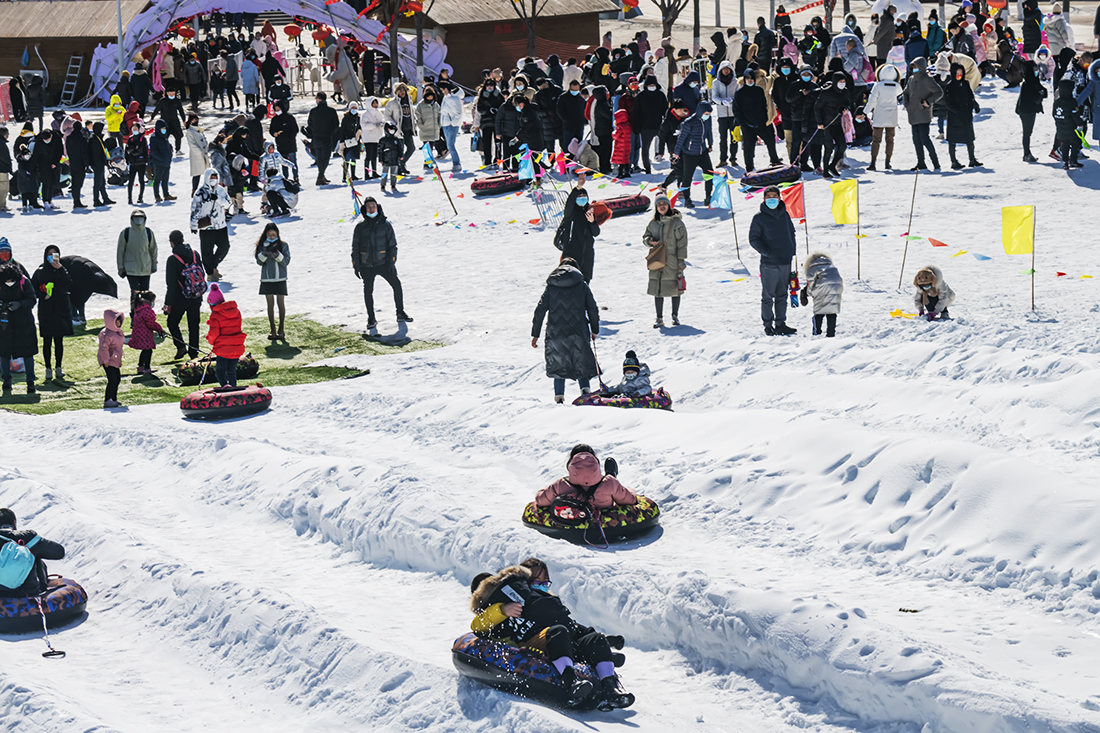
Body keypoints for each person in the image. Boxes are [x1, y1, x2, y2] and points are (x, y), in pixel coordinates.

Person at [469, 558, 633, 709]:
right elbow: (478, 625)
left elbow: (571, 625)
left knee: (595, 639)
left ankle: (610, 690)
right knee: (558, 633)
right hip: (533, 640)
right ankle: (571, 681)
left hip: (556, 637)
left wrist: (601, 639)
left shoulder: (536, 599)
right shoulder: (501, 601)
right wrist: (502, 610)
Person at [531, 257, 600, 404]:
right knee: (580, 360)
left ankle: (559, 398)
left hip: (556, 332)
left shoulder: (552, 286)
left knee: (558, 362)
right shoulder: (582, 285)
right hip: (578, 330)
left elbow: (540, 310)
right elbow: (592, 308)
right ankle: (585, 393)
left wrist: (535, 334)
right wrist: (595, 329)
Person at [351, 197, 412, 330]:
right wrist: (356, 264)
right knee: (368, 292)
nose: (371, 209)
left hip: (384, 263)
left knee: (397, 285)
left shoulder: (386, 225)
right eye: (368, 207)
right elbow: (355, 247)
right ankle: (371, 318)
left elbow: (393, 246)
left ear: (377, 208)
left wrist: (392, 262)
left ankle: (400, 312)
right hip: (367, 265)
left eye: (373, 206)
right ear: (364, 209)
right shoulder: (360, 227)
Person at [748, 186, 798, 336]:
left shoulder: (785, 215)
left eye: (774, 196)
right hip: (769, 264)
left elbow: (791, 232)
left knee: (782, 295)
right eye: (768, 196)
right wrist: (767, 253)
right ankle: (768, 325)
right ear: (764, 199)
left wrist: (791, 250)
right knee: (768, 296)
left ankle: (780, 324)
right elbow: (753, 239)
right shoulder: (759, 218)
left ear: (779, 198)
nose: (771, 199)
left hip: (785, 261)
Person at [536, 444, 638, 509]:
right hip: (605, 523)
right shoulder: (610, 483)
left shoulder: (560, 484)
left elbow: (540, 501)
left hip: (574, 521)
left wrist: (545, 489)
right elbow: (630, 501)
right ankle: (611, 474)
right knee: (612, 484)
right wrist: (631, 490)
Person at [643, 191, 687, 328]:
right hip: (656, 260)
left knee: (675, 288)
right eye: (659, 204)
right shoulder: (653, 223)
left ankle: (675, 316)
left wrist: (681, 260)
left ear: (668, 205)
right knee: (658, 289)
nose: (662, 206)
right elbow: (645, 238)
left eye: (664, 204)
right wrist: (650, 242)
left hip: (672, 260)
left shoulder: (677, 222)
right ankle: (659, 318)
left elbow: (682, 242)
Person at [0, 508, 65, 598]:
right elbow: (59, 552)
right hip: (28, 594)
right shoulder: (29, 537)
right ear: (14, 523)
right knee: (33, 555)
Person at [31, 245, 73, 380]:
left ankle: (58, 367)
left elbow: (69, 283)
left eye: (55, 254)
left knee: (59, 340)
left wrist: (60, 269)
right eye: (50, 254)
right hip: (47, 310)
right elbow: (33, 289)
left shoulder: (62, 270)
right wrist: (43, 295)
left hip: (60, 309)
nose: (53, 257)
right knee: (47, 341)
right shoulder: (40, 271)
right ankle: (48, 368)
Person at [164, 230, 205, 359]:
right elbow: (201, 273)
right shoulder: (195, 254)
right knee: (194, 325)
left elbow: (171, 284)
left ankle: (181, 347)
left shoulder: (172, 260)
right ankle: (194, 353)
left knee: (172, 322)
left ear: (171, 243)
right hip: (196, 296)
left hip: (179, 298)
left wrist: (168, 304)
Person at [0, 262, 38, 394]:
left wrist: (20, 304)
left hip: (24, 325)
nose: (8, 282)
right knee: (3, 354)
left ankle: (30, 382)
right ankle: (6, 381)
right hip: (4, 325)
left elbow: (32, 299)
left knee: (27, 354)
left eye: (11, 281)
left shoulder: (24, 282)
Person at [554, 177, 600, 282]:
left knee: (585, 285)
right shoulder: (571, 214)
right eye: (579, 196)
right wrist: (578, 188)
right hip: (571, 255)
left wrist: (592, 222)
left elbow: (596, 233)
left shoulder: (589, 213)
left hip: (587, 256)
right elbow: (569, 205)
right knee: (571, 283)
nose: (582, 198)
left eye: (584, 196)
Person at [190, 168, 232, 281]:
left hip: (220, 226)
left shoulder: (221, 190)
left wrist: (218, 199)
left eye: (215, 177)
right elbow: (194, 209)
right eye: (211, 177)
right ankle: (209, 273)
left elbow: (228, 204)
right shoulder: (200, 193)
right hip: (206, 227)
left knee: (224, 247)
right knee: (207, 251)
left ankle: (213, 266)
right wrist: (193, 224)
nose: (213, 179)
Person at [671, 100, 714, 208]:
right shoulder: (689, 122)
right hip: (690, 153)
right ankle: (687, 199)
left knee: (709, 173)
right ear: (700, 112)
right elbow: (681, 139)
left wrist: (710, 144)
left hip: (702, 152)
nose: (707, 116)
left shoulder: (707, 120)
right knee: (687, 177)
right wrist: (676, 153)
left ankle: (708, 196)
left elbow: (709, 132)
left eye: (709, 114)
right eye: (706, 114)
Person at [904, 57, 944, 170]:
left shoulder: (927, 79)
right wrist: (906, 103)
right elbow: (906, 92)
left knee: (924, 139)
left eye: (917, 67)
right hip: (912, 113)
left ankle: (935, 163)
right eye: (913, 67)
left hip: (923, 113)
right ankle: (921, 162)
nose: (915, 69)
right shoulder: (911, 79)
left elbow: (939, 92)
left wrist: (928, 102)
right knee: (916, 140)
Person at [205, 283, 245, 387]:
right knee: (231, 371)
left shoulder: (215, 315)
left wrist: (210, 340)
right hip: (236, 346)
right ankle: (233, 388)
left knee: (220, 372)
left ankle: (225, 387)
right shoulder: (236, 311)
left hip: (223, 348)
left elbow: (214, 333)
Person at [255, 222, 290, 340]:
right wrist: (264, 254)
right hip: (267, 279)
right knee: (270, 304)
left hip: (280, 278)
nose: (271, 237)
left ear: (277, 234)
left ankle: (281, 329)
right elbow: (259, 262)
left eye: (273, 234)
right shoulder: (261, 246)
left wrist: (276, 254)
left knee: (280, 303)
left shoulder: (283, 245)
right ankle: (272, 329)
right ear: (265, 235)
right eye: (269, 235)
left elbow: (285, 262)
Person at [864, 64, 901, 170]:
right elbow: (900, 94)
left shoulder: (878, 86)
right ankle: (887, 162)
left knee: (876, 140)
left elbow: (872, 100)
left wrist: (865, 112)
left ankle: (873, 163)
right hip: (892, 117)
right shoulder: (897, 86)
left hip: (879, 117)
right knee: (890, 140)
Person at [945, 63, 981, 168]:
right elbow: (948, 103)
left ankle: (972, 159)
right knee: (952, 140)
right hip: (955, 118)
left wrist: (975, 105)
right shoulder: (949, 86)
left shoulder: (965, 83)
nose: (959, 75)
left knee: (969, 139)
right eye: (957, 73)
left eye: (961, 72)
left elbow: (970, 97)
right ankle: (954, 161)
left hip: (966, 117)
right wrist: (957, 111)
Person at [813, 71, 849, 178]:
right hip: (827, 124)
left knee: (842, 146)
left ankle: (832, 166)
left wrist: (847, 109)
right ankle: (825, 172)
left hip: (838, 123)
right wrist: (820, 122)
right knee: (828, 148)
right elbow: (817, 107)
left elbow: (848, 102)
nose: (842, 83)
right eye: (840, 81)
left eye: (844, 81)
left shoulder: (845, 91)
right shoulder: (826, 92)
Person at [799, 251, 843, 337]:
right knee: (831, 312)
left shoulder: (812, 269)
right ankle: (831, 333)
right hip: (836, 289)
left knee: (819, 312)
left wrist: (805, 293)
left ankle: (816, 333)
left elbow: (811, 286)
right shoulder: (832, 267)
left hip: (821, 290)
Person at [117, 209, 158, 294]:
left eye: (141, 217)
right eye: (136, 218)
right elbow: (120, 252)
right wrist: (120, 268)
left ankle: (145, 307)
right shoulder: (126, 232)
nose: (138, 220)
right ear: (132, 219)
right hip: (131, 269)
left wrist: (154, 265)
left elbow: (153, 250)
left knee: (145, 293)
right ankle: (134, 307)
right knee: (135, 293)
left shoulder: (148, 232)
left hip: (146, 268)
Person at [1017, 59, 1047, 162]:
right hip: (1026, 111)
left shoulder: (1034, 80)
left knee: (1028, 132)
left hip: (1030, 110)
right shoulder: (1027, 83)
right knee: (1027, 133)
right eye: (1034, 67)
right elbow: (1036, 97)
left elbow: (1042, 91)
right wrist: (1041, 94)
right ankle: (1026, 154)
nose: (1036, 69)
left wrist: (1042, 93)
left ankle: (1027, 153)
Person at [383, 83, 417, 175]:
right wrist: (393, 125)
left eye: (404, 90)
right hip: (398, 130)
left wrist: (414, 122)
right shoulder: (392, 102)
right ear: (396, 92)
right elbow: (387, 116)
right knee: (399, 151)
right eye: (400, 90)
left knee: (411, 148)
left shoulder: (409, 101)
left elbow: (412, 114)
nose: (403, 92)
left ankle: (401, 163)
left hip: (408, 129)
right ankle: (398, 168)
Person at [129, 290, 164, 376]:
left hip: (138, 332)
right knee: (148, 351)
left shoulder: (139, 308)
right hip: (144, 334)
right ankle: (146, 368)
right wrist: (159, 329)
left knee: (144, 350)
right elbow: (151, 323)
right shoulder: (146, 310)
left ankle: (141, 367)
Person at [308, 92, 340, 185]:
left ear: (319, 99)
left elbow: (310, 124)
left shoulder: (313, 111)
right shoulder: (331, 111)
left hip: (317, 137)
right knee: (325, 158)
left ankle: (321, 176)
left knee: (319, 158)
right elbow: (336, 125)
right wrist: (331, 133)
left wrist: (315, 131)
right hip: (327, 137)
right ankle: (320, 177)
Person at [1053, 79, 1084, 170]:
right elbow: (1075, 115)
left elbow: (1053, 114)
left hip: (1060, 128)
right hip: (1071, 128)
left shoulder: (1057, 102)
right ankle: (1073, 160)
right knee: (1076, 143)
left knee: (1065, 144)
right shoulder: (1071, 102)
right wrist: (1080, 124)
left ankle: (1065, 162)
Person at [96, 308, 125, 407]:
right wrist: (105, 360)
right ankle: (108, 399)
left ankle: (113, 398)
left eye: (119, 321)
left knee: (117, 379)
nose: (118, 323)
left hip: (115, 358)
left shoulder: (118, 331)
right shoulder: (105, 334)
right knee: (112, 379)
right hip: (109, 360)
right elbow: (103, 349)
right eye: (116, 322)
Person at [270, 100, 300, 170]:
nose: (277, 111)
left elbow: (295, 130)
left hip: (290, 145)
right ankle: (285, 178)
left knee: (293, 163)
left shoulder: (290, 118)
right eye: (276, 110)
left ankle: (296, 178)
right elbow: (271, 130)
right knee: (284, 164)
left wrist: (290, 138)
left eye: (278, 109)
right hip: (280, 145)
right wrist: (274, 133)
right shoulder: (274, 119)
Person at [440, 83, 463, 172]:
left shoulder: (454, 99)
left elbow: (458, 113)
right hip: (446, 124)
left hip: (451, 125)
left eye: (442, 90)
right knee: (449, 146)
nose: (442, 92)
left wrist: (453, 123)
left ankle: (456, 164)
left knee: (450, 145)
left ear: (446, 89)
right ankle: (456, 163)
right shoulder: (446, 98)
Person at [150, 119, 174, 203]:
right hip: (159, 162)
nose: (164, 130)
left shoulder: (165, 137)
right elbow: (153, 151)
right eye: (162, 128)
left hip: (167, 162)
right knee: (157, 180)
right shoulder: (154, 138)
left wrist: (170, 153)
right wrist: (161, 158)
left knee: (165, 179)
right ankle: (157, 196)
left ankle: (166, 194)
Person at [185, 113, 210, 195]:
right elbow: (192, 145)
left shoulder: (199, 130)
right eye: (194, 120)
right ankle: (194, 191)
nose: (196, 121)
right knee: (197, 174)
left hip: (204, 154)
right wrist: (199, 151)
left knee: (207, 173)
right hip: (197, 156)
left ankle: (208, 189)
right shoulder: (190, 132)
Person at [339, 102, 363, 181]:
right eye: (353, 108)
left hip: (355, 141)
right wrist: (342, 141)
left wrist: (359, 133)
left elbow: (360, 127)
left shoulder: (358, 118)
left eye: (355, 108)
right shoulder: (345, 118)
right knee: (347, 159)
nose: (354, 110)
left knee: (353, 158)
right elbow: (342, 130)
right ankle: (345, 176)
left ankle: (353, 175)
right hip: (347, 141)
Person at [378, 122, 403, 193]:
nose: (391, 131)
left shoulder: (396, 139)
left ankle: (393, 185)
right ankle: (383, 185)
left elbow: (400, 148)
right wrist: (381, 159)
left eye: (393, 129)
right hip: (386, 159)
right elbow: (380, 150)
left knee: (394, 173)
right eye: (390, 129)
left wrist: (401, 155)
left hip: (395, 159)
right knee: (384, 173)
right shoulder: (383, 140)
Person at [0, 127, 11, 213]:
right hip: (2, 169)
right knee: (4, 188)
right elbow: (4, 157)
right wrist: (9, 166)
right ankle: (1, 205)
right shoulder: (1, 144)